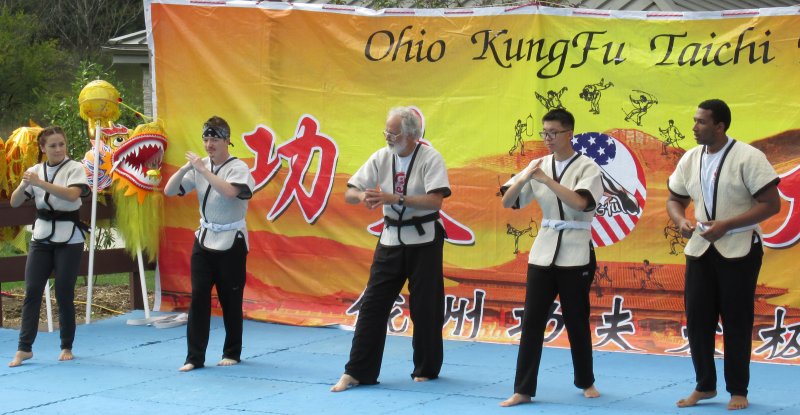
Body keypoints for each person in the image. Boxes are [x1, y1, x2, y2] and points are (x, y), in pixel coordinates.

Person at [666, 99, 780, 410]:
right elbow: (674, 198)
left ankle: (738, 390)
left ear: (720, 126)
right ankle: (704, 386)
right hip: (701, 248)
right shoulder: (690, 159)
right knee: (698, 319)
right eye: (694, 120)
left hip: (740, 248)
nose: (694, 126)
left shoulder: (748, 157)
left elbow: (772, 204)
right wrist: (681, 220)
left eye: (701, 122)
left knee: (736, 320)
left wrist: (728, 224)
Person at [331, 106, 451, 392]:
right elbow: (349, 193)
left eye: (393, 133)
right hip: (390, 239)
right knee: (372, 305)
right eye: (386, 131)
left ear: (411, 135)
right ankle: (357, 371)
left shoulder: (430, 158)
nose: (388, 137)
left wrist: (395, 197)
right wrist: (365, 196)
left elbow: (435, 202)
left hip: (424, 241)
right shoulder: (381, 157)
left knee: (425, 307)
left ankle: (426, 368)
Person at [499, 108, 603, 407]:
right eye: (544, 133)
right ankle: (523, 389)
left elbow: (581, 203)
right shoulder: (537, 164)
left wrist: (546, 180)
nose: (548, 139)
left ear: (569, 133)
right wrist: (524, 178)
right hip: (543, 252)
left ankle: (586, 380)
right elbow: (508, 200)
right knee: (532, 321)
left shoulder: (587, 167)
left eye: (554, 133)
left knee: (576, 319)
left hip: (576, 249)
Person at [164, 115, 255, 372]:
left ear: (227, 140)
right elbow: (170, 191)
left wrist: (202, 170)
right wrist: (185, 169)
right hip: (204, 239)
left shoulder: (238, 167)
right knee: (199, 296)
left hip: (232, 241)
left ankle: (232, 351)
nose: (209, 143)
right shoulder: (200, 166)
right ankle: (194, 357)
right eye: (206, 137)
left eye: (215, 138)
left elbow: (229, 192)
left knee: (230, 298)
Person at [8, 126, 90, 367]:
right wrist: (25, 185)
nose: (58, 149)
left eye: (61, 144)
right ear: (43, 149)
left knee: (64, 292)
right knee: (32, 290)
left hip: (69, 238)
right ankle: (24, 348)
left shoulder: (75, 168)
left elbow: (73, 195)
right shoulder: (34, 171)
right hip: (41, 236)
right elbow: (14, 203)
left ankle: (66, 345)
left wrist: (40, 184)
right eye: (52, 145)